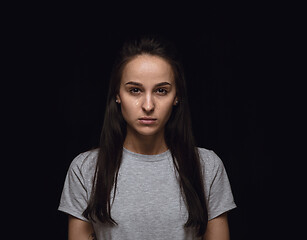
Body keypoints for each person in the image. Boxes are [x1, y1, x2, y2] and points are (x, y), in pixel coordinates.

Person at [58, 35, 236, 240]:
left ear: (177, 96)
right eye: (135, 90)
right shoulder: (86, 168)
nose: (148, 105)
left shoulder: (207, 166)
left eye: (161, 91)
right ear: (117, 95)